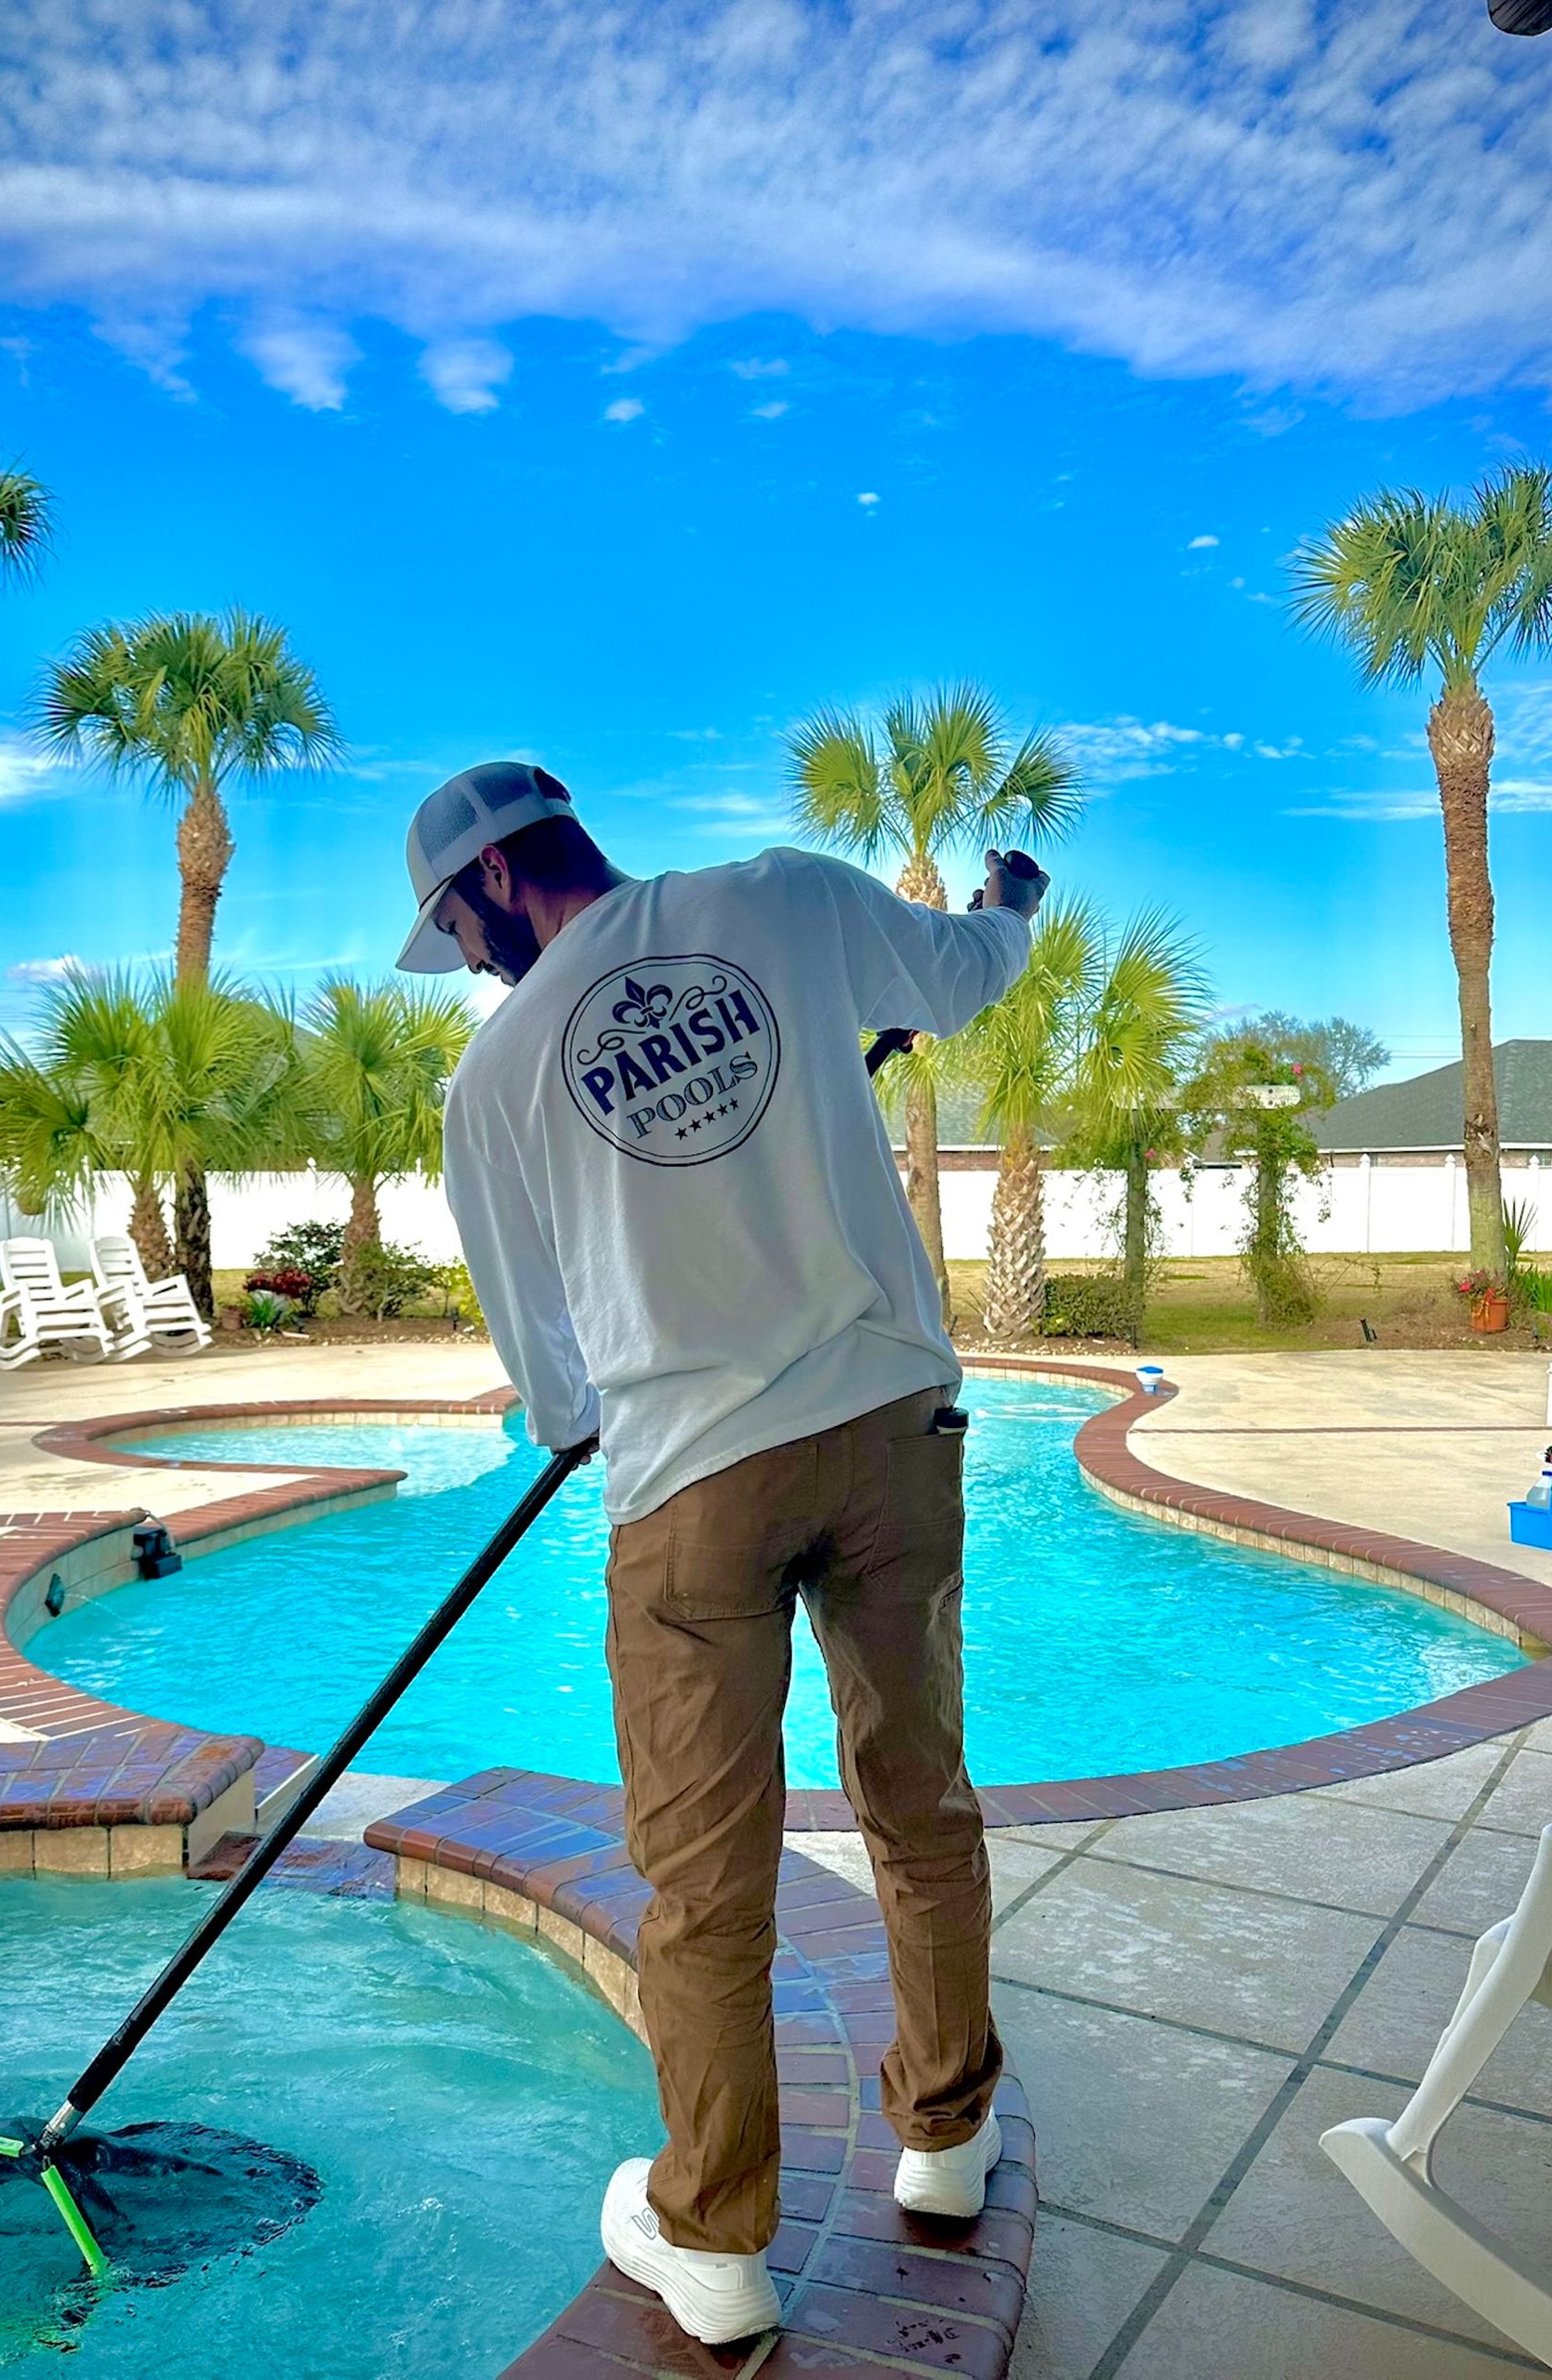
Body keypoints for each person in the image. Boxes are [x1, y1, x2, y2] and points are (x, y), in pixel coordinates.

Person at [397, 759, 1043, 2346]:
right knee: (919, 1793)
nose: (468, 959)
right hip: (891, 1431)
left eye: (455, 927)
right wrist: (1015, 903)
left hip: (692, 1483)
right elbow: (965, 976)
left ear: (488, 882)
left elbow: (547, 1370)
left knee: (703, 1883)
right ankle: (946, 2138)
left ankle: (717, 2239)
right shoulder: (785, 898)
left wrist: (581, 1413)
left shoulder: (490, 1086)